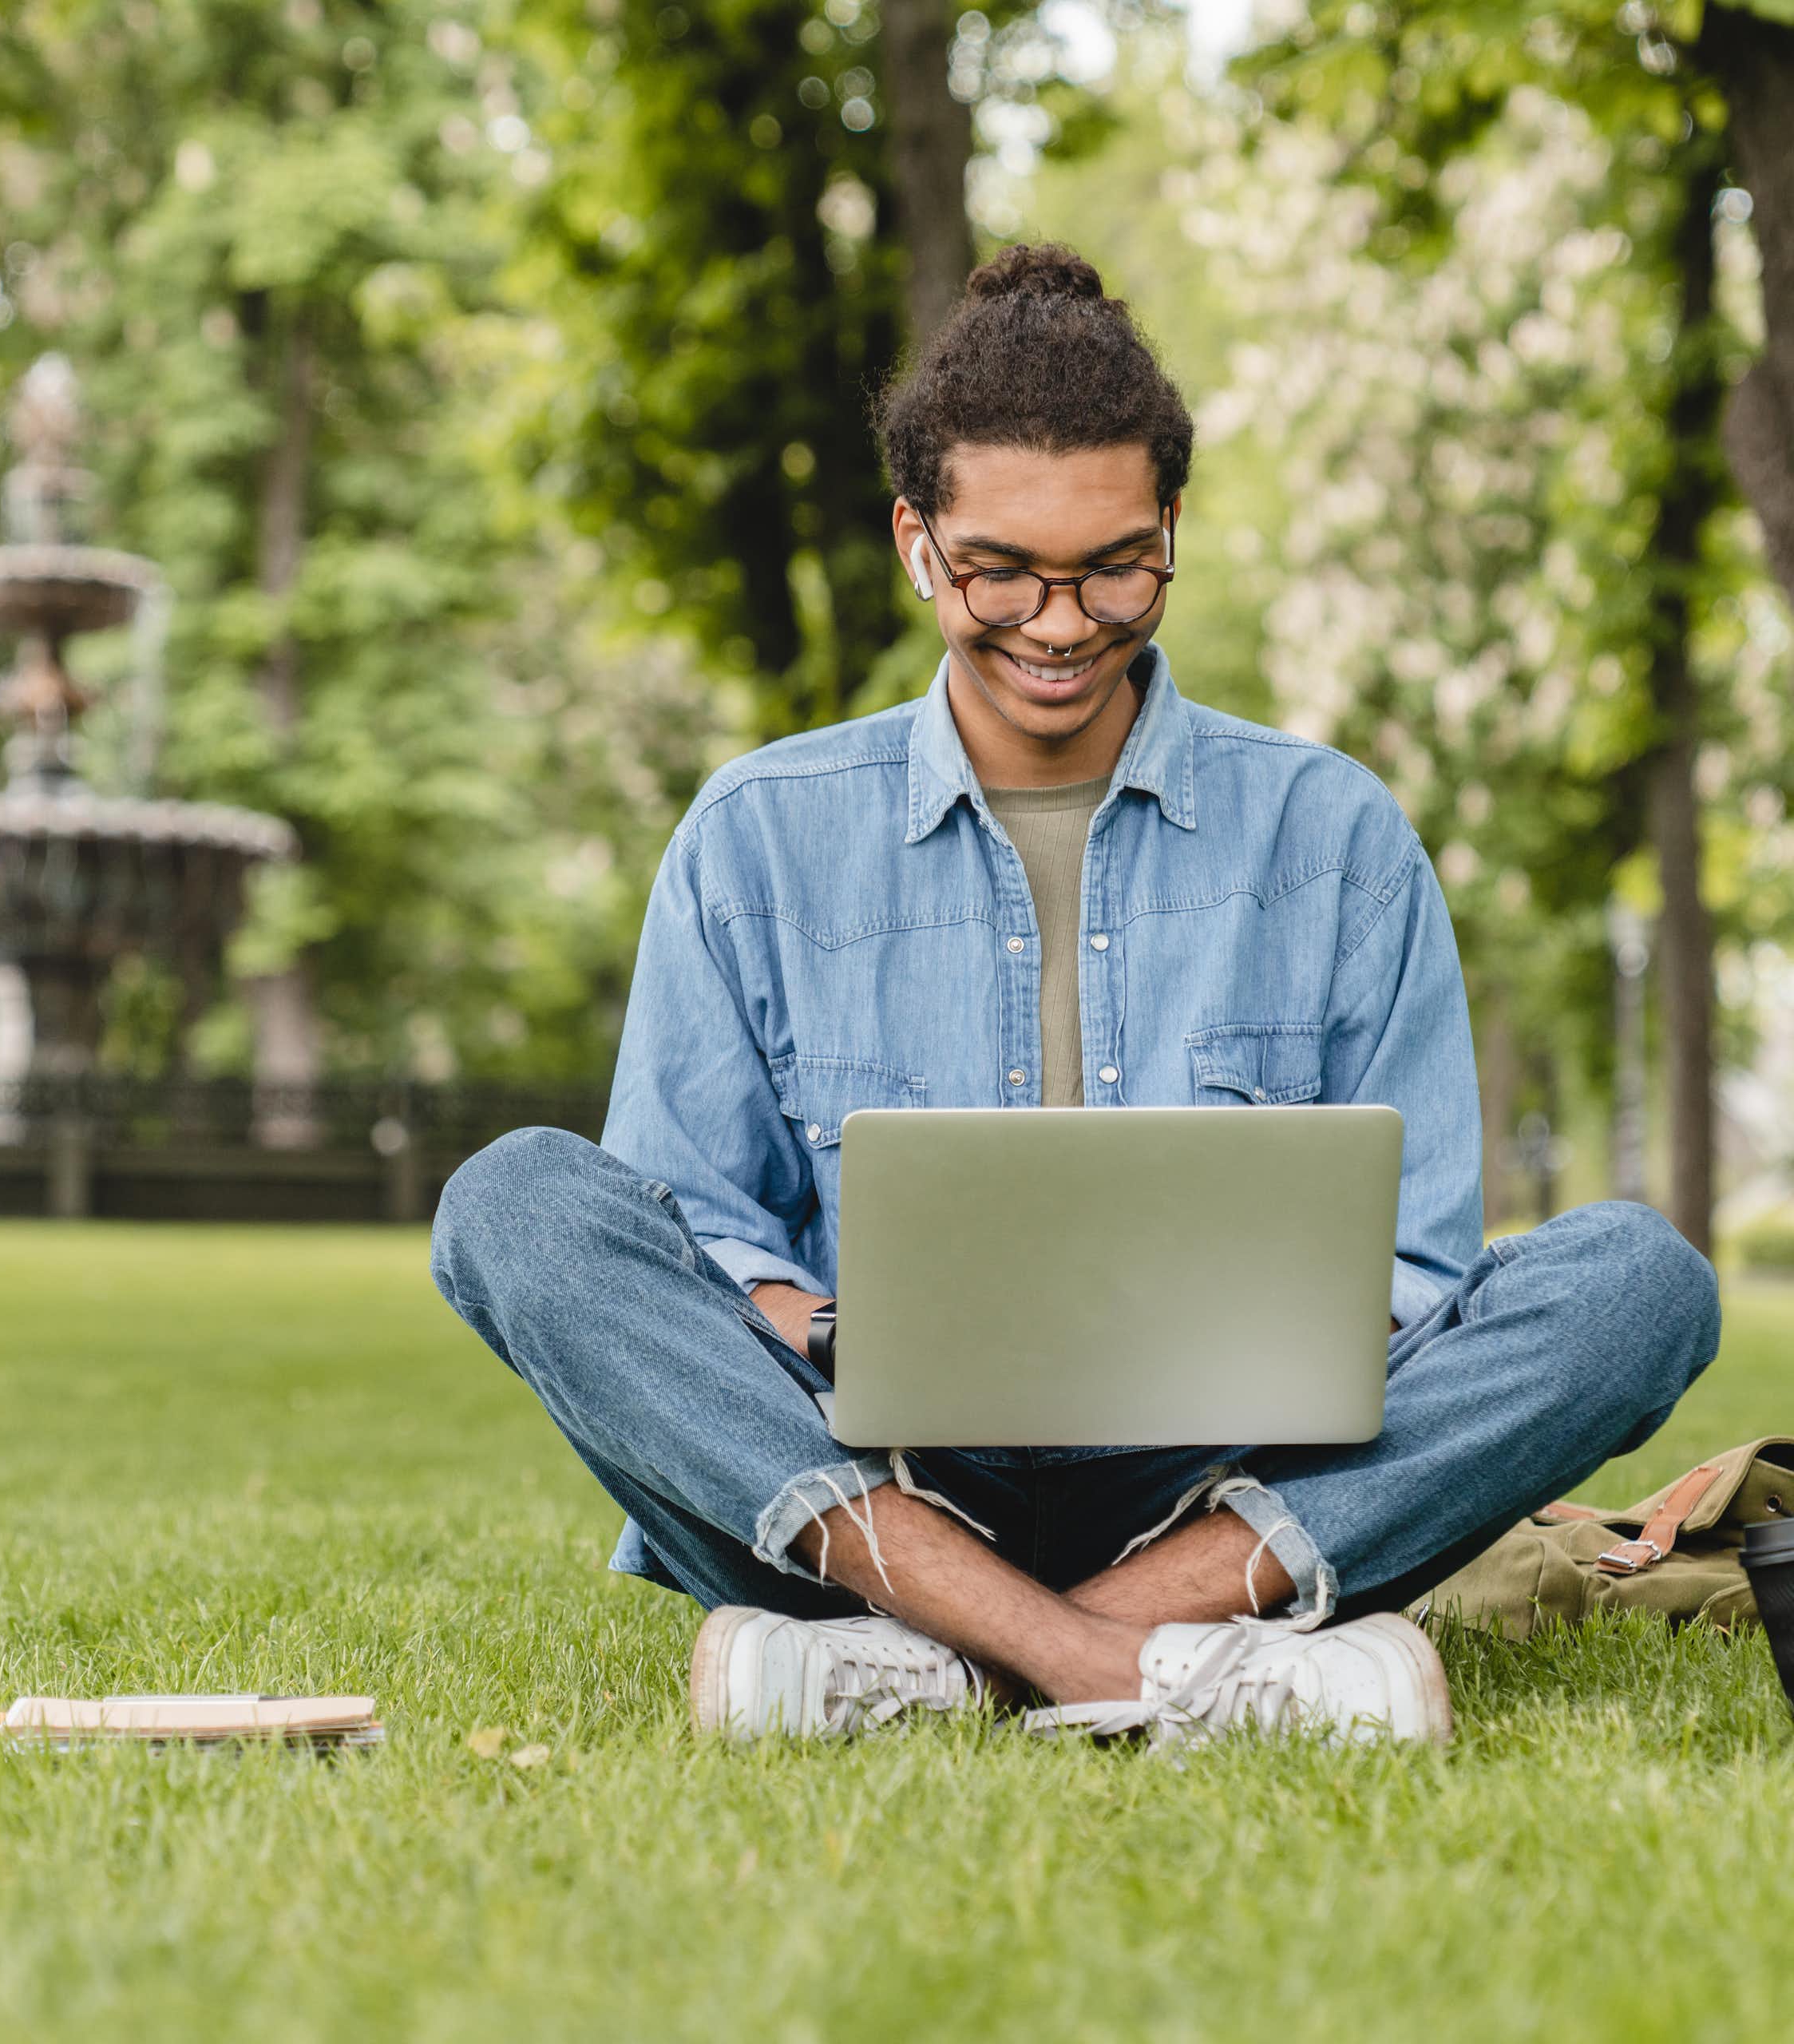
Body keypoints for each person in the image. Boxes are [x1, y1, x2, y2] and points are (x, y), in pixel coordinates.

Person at [431, 244, 1722, 1747]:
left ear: (1171, 525)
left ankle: (947, 1660)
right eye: (1002, 571)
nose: (1062, 621)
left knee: (1639, 1283)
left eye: (1118, 564)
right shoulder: (756, 836)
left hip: (1234, 1491)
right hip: (875, 1484)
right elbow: (700, 1229)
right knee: (515, 1205)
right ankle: (1156, 1664)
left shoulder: (1338, 838)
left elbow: (1415, 1273)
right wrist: (829, 1325)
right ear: (918, 543)